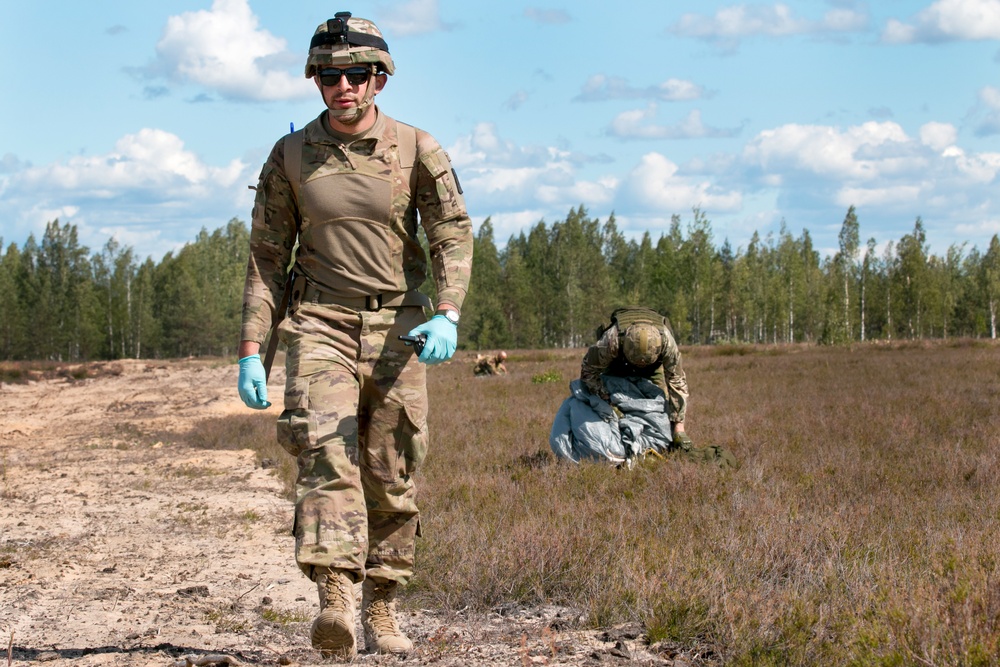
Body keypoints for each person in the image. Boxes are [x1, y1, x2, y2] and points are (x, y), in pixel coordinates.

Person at [235, 11, 473, 660]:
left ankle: (384, 607)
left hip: (400, 327)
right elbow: (266, 256)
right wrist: (254, 350)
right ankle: (336, 598)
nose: (344, 87)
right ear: (316, 81)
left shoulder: (418, 148)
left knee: (391, 472)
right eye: (331, 76)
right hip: (320, 323)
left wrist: (447, 311)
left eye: (357, 74)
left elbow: (452, 231)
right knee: (324, 457)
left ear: (380, 79)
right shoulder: (289, 156)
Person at [580, 307, 690, 447]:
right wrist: (606, 401)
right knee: (612, 403)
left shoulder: (667, 342)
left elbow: (677, 381)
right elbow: (588, 371)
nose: (640, 367)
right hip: (617, 363)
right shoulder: (611, 340)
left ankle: (660, 442)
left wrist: (679, 427)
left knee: (660, 405)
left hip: (653, 369)